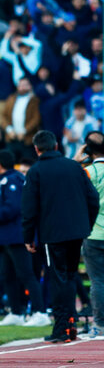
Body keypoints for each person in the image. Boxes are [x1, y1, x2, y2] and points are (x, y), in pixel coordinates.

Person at [22, 130, 101, 343]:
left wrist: (28, 237)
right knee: (70, 275)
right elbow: (93, 199)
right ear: (56, 145)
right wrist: (87, 225)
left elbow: (29, 209)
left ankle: (62, 327)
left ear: (37, 149)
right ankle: (71, 324)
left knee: (57, 278)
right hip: (77, 232)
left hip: (52, 234)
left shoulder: (36, 171)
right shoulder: (75, 167)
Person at [0, 150, 49, 327]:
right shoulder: (3, 180)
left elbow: (13, 208)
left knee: (26, 274)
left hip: (14, 235)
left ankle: (40, 312)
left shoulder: (13, 180)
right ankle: (16, 312)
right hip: (4, 237)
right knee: (6, 275)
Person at [79, 131, 104, 338]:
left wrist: (76, 161)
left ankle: (100, 325)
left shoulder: (88, 172)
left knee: (97, 281)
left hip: (94, 233)